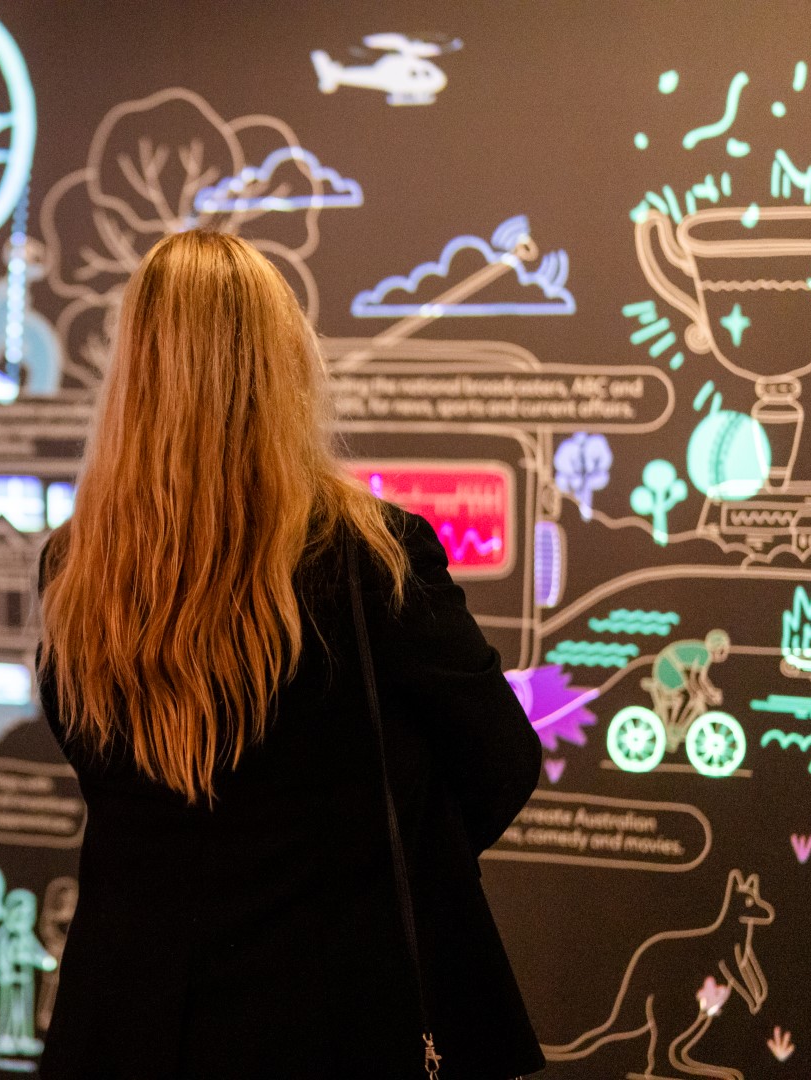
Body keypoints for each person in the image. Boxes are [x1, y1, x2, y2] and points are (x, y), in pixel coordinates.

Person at [37, 230, 544, 1079]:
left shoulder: (76, 566)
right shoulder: (370, 557)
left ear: (132, 374)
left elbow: (99, 769)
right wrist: (363, 876)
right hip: (338, 1020)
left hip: (127, 1024)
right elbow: (502, 760)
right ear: (284, 366)